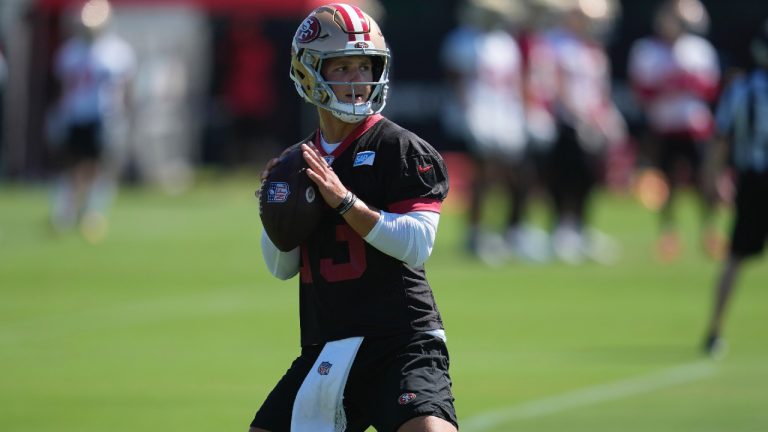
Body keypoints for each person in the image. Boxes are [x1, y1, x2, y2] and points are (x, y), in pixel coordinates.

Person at [250, 4, 458, 432]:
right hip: (329, 344)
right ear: (309, 71)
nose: (358, 80)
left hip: (399, 341)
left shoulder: (400, 148)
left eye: (365, 66)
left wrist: (345, 202)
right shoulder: (296, 161)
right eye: (342, 67)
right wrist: (274, 214)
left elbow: (418, 244)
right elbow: (281, 267)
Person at [440, 0, 548, 265]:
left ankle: (514, 230)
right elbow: (457, 82)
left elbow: (514, 83)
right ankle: (476, 233)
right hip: (478, 116)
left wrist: (527, 113)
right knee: (483, 177)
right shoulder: (462, 40)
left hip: (506, 117)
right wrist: (469, 115)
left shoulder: (505, 43)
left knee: (519, 175)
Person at [628, 0, 723, 262]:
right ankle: (668, 235)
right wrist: (672, 83)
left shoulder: (699, 50)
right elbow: (642, 91)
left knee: (705, 182)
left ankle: (710, 230)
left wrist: (686, 82)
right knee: (665, 184)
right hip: (664, 126)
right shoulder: (647, 50)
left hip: (695, 126)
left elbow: (711, 89)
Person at [539, 0, 625, 264]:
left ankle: (581, 227)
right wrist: (576, 116)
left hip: (590, 123)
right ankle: (562, 229)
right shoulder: (556, 44)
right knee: (564, 176)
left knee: (589, 177)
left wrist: (605, 118)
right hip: (564, 123)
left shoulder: (593, 49)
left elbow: (599, 89)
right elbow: (553, 85)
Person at [701, 20, 768, 357]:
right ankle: (714, 329)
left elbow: (720, 141)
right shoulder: (742, 90)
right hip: (754, 179)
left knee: (735, 257)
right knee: (735, 256)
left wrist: (713, 177)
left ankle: (714, 330)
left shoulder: (742, 89)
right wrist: (714, 178)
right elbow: (722, 139)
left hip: (753, 181)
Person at [47, 0, 135, 243]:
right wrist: (58, 114)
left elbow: (126, 87)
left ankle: (92, 213)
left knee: (100, 166)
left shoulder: (117, 51)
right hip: (75, 115)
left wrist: (126, 114)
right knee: (71, 166)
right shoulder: (70, 51)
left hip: (104, 116)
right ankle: (65, 210)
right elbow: (62, 88)